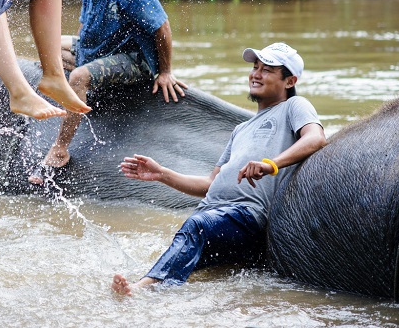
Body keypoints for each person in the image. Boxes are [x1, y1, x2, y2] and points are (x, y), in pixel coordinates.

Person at [111, 42, 326, 294]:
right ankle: (153, 288)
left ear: (289, 81)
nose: (256, 74)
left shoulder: (294, 106)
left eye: (267, 70)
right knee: (186, 250)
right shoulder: (240, 130)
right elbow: (210, 184)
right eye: (255, 67)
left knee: (196, 227)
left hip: (246, 216)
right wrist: (162, 174)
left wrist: (270, 165)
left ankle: (142, 289)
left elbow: (315, 138)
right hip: (213, 215)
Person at [29, 0, 186, 184]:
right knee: (48, 43)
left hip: (134, 59)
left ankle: (60, 150)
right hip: (100, 49)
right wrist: (76, 49)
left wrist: (166, 71)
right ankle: (75, 75)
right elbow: (85, 23)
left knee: (79, 76)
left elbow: (163, 27)